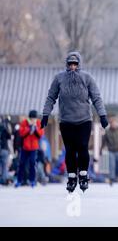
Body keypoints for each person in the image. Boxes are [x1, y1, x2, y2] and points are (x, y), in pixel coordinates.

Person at [42, 51, 108, 193]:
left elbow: (96, 97)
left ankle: (83, 174)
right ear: (67, 64)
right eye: (70, 64)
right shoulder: (59, 78)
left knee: (82, 147)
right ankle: (72, 177)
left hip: (84, 119)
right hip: (66, 120)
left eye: (75, 64)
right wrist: (45, 115)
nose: (72, 66)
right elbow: (50, 98)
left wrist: (102, 115)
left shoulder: (87, 78)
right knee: (70, 150)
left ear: (79, 64)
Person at [15, 110, 44, 187]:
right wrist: (28, 128)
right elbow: (21, 133)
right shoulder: (24, 122)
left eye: (34, 118)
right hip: (25, 147)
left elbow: (40, 134)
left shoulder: (38, 123)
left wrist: (35, 128)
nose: (33, 120)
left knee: (32, 163)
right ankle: (19, 180)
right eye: (31, 118)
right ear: (29, 118)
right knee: (21, 163)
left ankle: (32, 180)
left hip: (34, 147)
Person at [0, 116, 13, 185]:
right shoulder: (4, 128)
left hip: (3, 149)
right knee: (4, 166)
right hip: (4, 149)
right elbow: (9, 136)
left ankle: (3, 179)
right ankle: (4, 180)